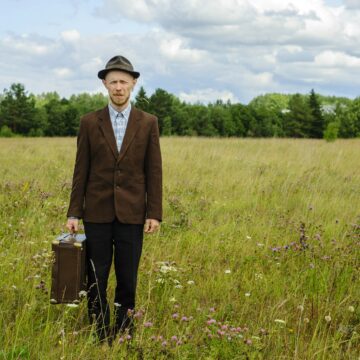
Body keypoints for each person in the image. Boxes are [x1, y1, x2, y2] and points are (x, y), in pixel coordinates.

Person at [66, 55, 162, 342]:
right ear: (105, 85)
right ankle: (100, 332)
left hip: (133, 214)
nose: (118, 87)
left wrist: (153, 212)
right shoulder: (88, 122)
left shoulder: (148, 123)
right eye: (113, 82)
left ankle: (124, 330)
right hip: (96, 213)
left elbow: (154, 171)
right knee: (96, 277)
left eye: (123, 81)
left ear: (133, 83)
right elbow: (80, 170)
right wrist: (74, 213)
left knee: (128, 278)